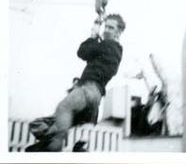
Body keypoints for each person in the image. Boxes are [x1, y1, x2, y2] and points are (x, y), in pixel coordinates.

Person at [26, 11, 126, 152]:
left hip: (87, 89)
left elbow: (82, 52)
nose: (107, 30)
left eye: (111, 28)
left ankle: (53, 146)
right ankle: (59, 144)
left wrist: (93, 34)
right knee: (54, 122)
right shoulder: (116, 50)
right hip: (95, 97)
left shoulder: (107, 45)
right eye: (106, 27)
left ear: (119, 32)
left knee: (63, 109)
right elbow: (93, 56)